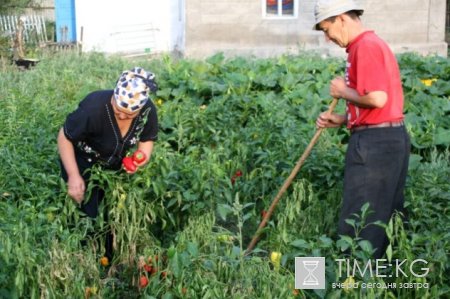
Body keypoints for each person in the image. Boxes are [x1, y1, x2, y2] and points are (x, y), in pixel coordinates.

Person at [313, 0, 410, 259]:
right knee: (383, 216)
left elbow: (377, 98)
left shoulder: (364, 47)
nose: (327, 37)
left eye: (326, 29)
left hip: (375, 144)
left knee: (360, 221)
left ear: (342, 18)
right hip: (388, 137)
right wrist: (345, 119)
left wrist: (342, 91)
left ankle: (354, 284)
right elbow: (378, 104)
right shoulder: (370, 45)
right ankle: (380, 281)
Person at [57, 67, 159, 260]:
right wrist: (73, 175)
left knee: (112, 212)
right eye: (118, 111)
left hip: (113, 166)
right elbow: (64, 137)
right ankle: (82, 258)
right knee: (87, 212)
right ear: (113, 96)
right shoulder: (93, 108)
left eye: (129, 115)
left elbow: (146, 141)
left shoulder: (147, 111)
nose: (122, 117)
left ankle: (109, 259)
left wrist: (138, 161)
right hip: (81, 162)